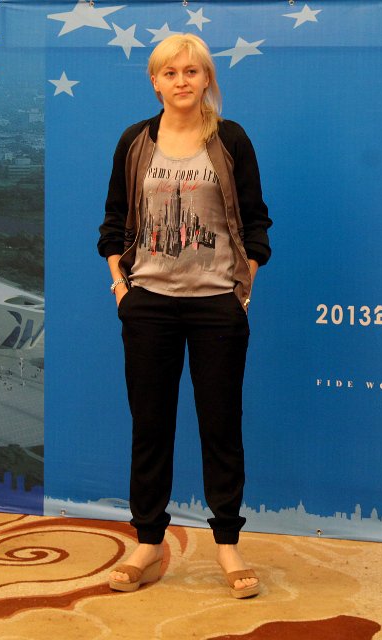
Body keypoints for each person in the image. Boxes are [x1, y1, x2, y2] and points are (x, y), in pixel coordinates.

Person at [98, 33, 272, 598]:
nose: (181, 81)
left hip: (217, 304)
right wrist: (121, 286)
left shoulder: (231, 140)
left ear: (206, 79)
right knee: (150, 427)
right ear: (155, 81)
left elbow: (255, 222)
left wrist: (242, 288)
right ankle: (148, 542)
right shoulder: (135, 141)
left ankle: (228, 544)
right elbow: (114, 222)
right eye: (170, 72)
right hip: (148, 303)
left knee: (221, 427)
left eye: (191, 72)